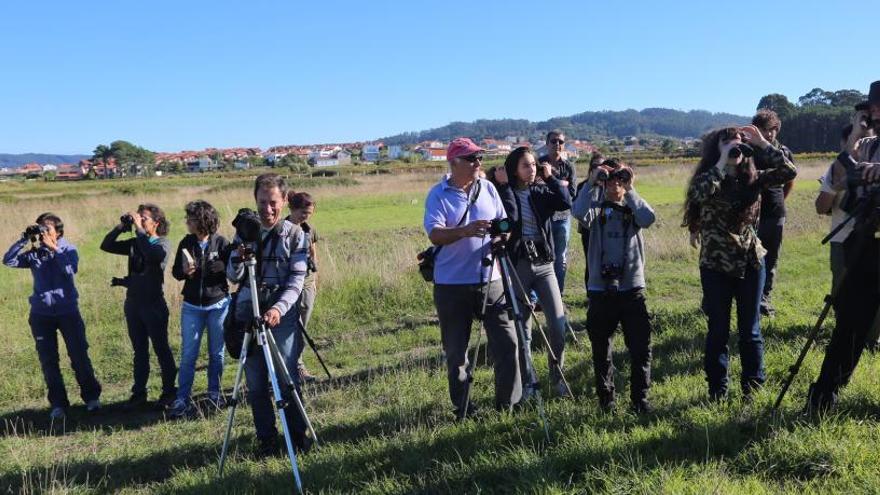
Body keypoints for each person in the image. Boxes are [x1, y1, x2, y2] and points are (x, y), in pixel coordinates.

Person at [682, 126, 796, 401]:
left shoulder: (754, 179)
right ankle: (718, 391)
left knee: (750, 329)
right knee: (718, 329)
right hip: (715, 265)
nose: (736, 145)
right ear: (716, 148)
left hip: (750, 262)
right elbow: (698, 195)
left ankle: (753, 389)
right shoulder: (709, 177)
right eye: (728, 141)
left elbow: (789, 172)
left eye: (740, 142)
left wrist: (761, 143)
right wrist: (723, 161)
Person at [424, 137, 522, 420]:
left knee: (507, 342)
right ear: (453, 163)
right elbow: (435, 234)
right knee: (457, 352)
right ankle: (464, 409)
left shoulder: (489, 188)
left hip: (491, 278)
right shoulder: (438, 195)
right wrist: (466, 231)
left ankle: (508, 406)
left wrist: (503, 236)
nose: (478, 163)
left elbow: (504, 223)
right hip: (452, 284)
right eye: (472, 159)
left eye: (479, 158)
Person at [806, 81, 880, 412]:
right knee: (849, 325)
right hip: (863, 245)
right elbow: (835, 179)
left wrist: (871, 173)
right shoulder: (864, 145)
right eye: (872, 109)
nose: (874, 113)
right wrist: (853, 139)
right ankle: (823, 398)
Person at [227, 173, 312, 455]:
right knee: (255, 383)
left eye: (273, 202)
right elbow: (232, 274)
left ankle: (297, 438)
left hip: (282, 315)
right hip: (248, 312)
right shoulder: (244, 231)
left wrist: (278, 308)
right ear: (255, 200)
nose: (267, 209)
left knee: (287, 378)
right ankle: (267, 440)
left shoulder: (297, 235)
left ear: (284, 201)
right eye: (262, 202)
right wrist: (238, 258)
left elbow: (297, 281)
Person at [572, 159, 656, 412]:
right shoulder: (595, 210)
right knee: (601, 350)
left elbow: (648, 218)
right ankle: (606, 401)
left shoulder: (633, 207)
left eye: (620, 179)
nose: (615, 184)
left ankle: (640, 400)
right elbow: (577, 212)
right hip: (600, 289)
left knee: (640, 348)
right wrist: (592, 182)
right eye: (610, 179)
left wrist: (630, 190)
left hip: (631, 287)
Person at [4, 213, 102, 420]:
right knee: (49, 360)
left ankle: (91, 398)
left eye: (47, 229)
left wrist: (54, 248)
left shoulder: (68, 249)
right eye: (40, 229)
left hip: (67, 312)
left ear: (58, 232)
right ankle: (58, 404)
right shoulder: (35, 254)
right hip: (41, 314)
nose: (43, 233)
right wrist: (24, 239)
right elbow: (9, 260)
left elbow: (69, 269)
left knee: (78, 355)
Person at [492, 146, 572, 397]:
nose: (532, 169)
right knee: (522, 328)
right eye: (526, 165)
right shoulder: (501, 193)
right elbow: (511, 220)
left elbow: (565, 202)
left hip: (544, 263)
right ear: (514, 169)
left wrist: (551, 178)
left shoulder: (540, 191)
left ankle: (556, 375)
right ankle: (529, 381)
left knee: (558, 324)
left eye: (534, 165)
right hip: (519, 266)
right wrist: (504, 188)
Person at [101, 204, 177, 409]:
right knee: (139, 351)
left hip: (153, 304)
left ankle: (169, 391)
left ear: (156, 223)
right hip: (133, 303)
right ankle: (139, 393)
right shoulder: (136, 242)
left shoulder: (162, 243)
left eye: (144, 218)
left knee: (161, 349)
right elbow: (106, 246)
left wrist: (139, 230)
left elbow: (154, 257)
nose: (139, 221)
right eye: (139, 218)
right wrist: (120, 227)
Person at [168, 200, 231, 418]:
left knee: (217, 353)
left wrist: (222, 266)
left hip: (219, 304)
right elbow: (175, 273)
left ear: (203, 220)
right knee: (188, 355)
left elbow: (233, 272)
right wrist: (185, 271)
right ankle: (182, 398)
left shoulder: (222, 243)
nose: (187, 222)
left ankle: (215, 393)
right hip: (192, 306)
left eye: (190, 218)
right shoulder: (185, 243)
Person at [751, 109, 795, 317]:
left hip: (775, 212)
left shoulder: (783, 152)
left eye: (771, 130)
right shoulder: (749, 151)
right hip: (751, 215)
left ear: (777, 129)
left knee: (771, 260)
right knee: (750, 259)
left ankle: (764, 300)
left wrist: (779, 200)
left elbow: (789, 181)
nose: (768, 134)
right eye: (763, 130)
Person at [539, 129, 577, 293]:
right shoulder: (538, 164)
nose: (557, 144)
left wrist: (553, 185)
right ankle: (539, 297)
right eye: (554, 141)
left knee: (560, 258)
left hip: (562, 218)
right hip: (542, 217)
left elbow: (572, 195)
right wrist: (562, 185)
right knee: (540, 256)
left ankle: (557, 294)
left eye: (560, 142)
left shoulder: (569, 167)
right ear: (547, 144)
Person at [287, 191, 319, 383]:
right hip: (288, 283)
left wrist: (315, 280)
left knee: (302, 327)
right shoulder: (283, 228)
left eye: (309, 213)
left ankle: (298, 365)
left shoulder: (309, 229)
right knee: (289, 326)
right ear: (292, 209)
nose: (306, 216)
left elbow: (314, 254)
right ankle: (291, 366)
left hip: (307, 282)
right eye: (303, 213)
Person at [574, 151, 606, 291]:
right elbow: (578, 209)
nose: (599, 169)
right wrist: (592, 183)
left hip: (606, 229)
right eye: (596, 166)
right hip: (589, 230)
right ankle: (591, 292)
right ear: (591, 169)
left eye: (602, 166)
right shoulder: (583, 186)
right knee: (591, 262)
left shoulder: (609, 186)